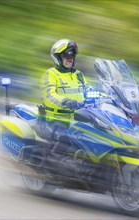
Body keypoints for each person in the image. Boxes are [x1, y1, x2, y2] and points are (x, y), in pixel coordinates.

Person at [40, 39, 91, 176]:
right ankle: (51, 171)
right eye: (66, 56)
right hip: (54, 119)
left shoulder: (78, 75)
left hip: (79, 118)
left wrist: (105, 97)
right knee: (65, 139)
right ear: (57, 58)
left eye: (72, 55)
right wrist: (67, 101)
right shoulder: (51, 74)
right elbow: (49, 95)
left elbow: (90, 90)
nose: (70, 59)